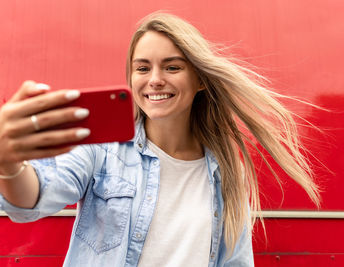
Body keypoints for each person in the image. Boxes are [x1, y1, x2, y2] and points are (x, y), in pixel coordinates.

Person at [0, 12, 320, 266]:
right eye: (142, 68)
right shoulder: (103, 150)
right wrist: (8, 164)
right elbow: (32, 199)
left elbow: (234, 262)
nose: (155, 80)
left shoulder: (225, 169)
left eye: (172, 66)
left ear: (199, 81)